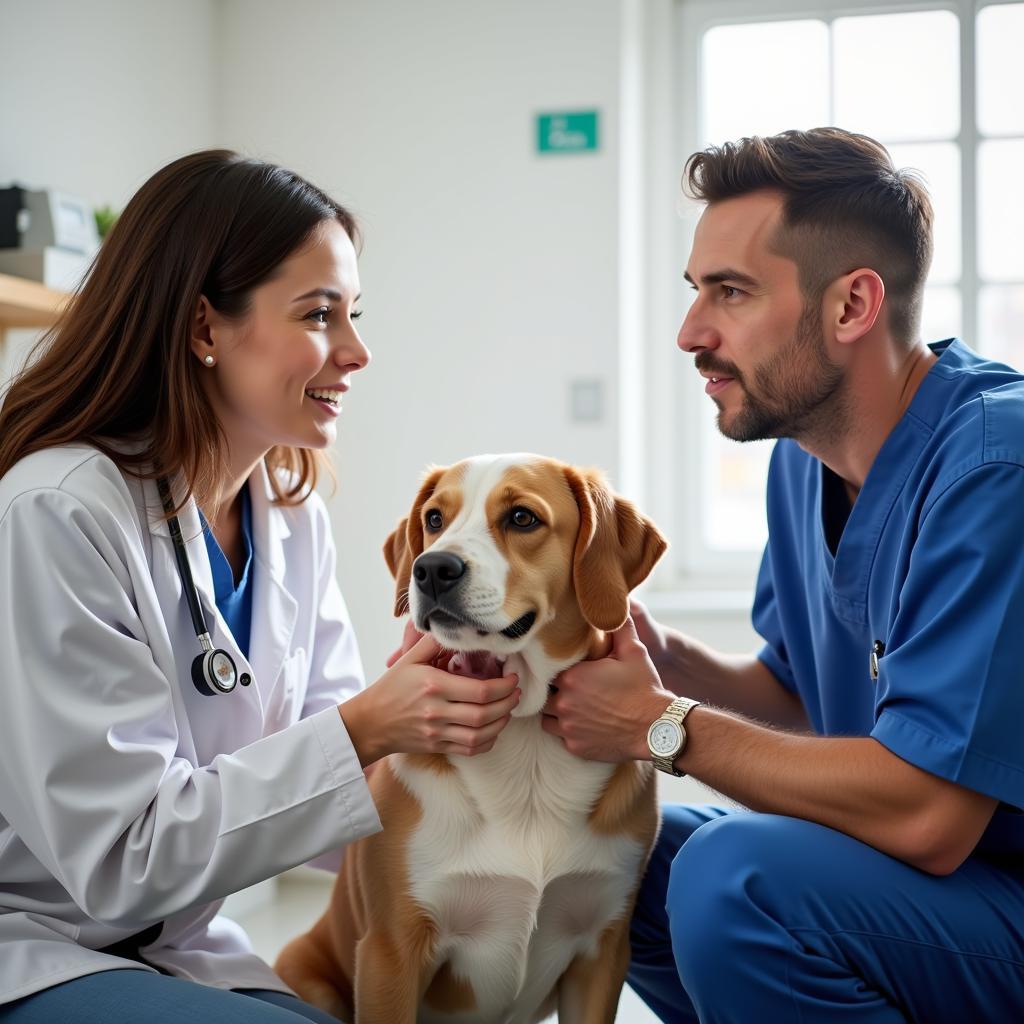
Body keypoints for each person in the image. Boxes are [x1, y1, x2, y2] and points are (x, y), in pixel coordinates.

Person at [0, 150, 520, 1023]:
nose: (356, 352)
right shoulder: (54, 513)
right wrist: (369, 727)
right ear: (205, 327)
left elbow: (336, 793)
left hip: (179, 948)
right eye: (320, 314)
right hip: (39, 946)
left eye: (353, 314)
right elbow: (124, 857)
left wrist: (448, 730)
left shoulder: (289, 515)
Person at [540, 128, 1024, 1022]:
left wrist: (658, 728)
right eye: (695, 292)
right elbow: (805, 704)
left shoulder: (997, 466)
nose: (691, 333)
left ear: (851, 307)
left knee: (737, 882)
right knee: (630, 853)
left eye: (731, 293)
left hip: (998, 890)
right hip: (943, 893)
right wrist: (660, 656)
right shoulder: (802, 459)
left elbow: (928, 816)